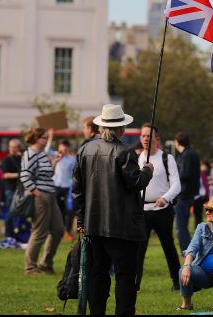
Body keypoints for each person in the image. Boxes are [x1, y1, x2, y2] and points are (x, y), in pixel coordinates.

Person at [72, 104, 154, 315]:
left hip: (93, 225)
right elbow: (136, 183)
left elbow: (77, 190)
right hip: (122, 227)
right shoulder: (124, 152)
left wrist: (81, 220)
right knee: (125, 276)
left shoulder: (84, 150)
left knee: (98, 273)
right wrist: (147, 171)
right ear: (121, 129)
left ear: (101, 128)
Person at [135, 123, 182, 292]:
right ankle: (135, 284)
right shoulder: (138, 158)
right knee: (139, 250)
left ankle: (178, 282)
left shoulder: (167, 158)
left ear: (157, 138)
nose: (146, 139)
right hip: (142, 211)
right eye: (143, 136)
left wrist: (165, 198)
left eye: (149, 136)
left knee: (168, 247)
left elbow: (176, 185)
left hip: (163, 210)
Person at [21, 127, 64, 275]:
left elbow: (48, 174)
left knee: (58, 230)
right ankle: (30, 267)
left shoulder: (41, 154)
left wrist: (55, 162)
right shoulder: (30, 153)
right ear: (35, 139)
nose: (46, 140)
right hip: (41, 197)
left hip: (50, 195)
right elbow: (25, 175)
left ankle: (45, 263)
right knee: (40, 232)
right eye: (44, 138)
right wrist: (36, 192)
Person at [174, 131, 201, 254]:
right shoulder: (193, 153)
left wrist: (173, 176)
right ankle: (190, 249)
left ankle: (187, 250)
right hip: (191, 193)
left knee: (181, 226)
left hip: (183, 194)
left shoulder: (186, 155)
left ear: (177, 142)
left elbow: (184, 174)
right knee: (184, 225)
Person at [48, 138, 77, 240]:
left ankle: (67, 231)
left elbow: (74, 173)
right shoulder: (55, 155)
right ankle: (56, 230)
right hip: (56, 186)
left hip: (67, 187)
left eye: (65, 149)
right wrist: (51, 137)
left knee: (69, 210)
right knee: (57, 210)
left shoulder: (72, 159)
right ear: (59, 147)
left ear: (68, 148)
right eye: (61, 148)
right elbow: (46, 150)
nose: (63, 150)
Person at [1, 139, 23, 238]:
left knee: (18, 212)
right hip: (10, 189)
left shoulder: (21, 158)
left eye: (15, 147)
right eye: (11, 147)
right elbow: (5, 175)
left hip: (20, 189)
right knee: (11, 211)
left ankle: (16, 232)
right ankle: (8, 232)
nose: (13, 149)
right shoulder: (6, 160)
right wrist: (20, 175)